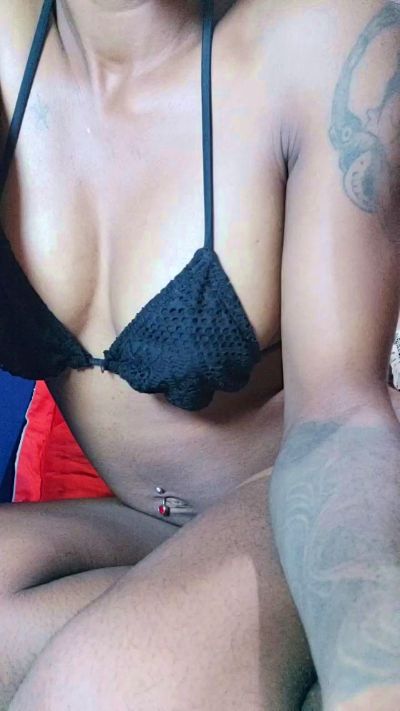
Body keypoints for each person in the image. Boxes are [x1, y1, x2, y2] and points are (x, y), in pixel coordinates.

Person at [0, 0, 399, 709]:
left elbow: (339, 417)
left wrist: (376, 676)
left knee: (94, 691)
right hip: (140, 520)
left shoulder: (324, 29)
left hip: (300, 497)